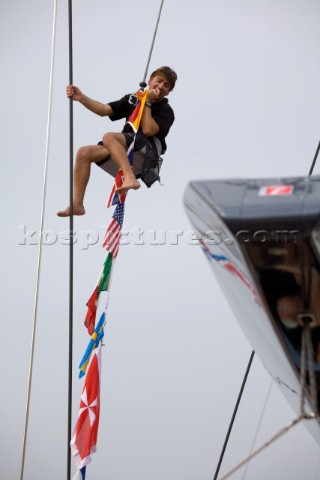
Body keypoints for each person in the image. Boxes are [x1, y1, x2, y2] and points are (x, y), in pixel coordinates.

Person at [57, 66, 177, 217]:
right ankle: (77, 204)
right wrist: (81, 98)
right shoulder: (133, 98)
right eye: (159, 81)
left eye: (166, 86)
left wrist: (147, 102)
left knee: (109, 137)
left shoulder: (166, 110)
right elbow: (104, 109)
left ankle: (129, 178)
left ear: (169, 91)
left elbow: (148, 130)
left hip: (146, 152)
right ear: (150, 80)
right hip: (127, 151)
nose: (160, 86)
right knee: (84, 152)